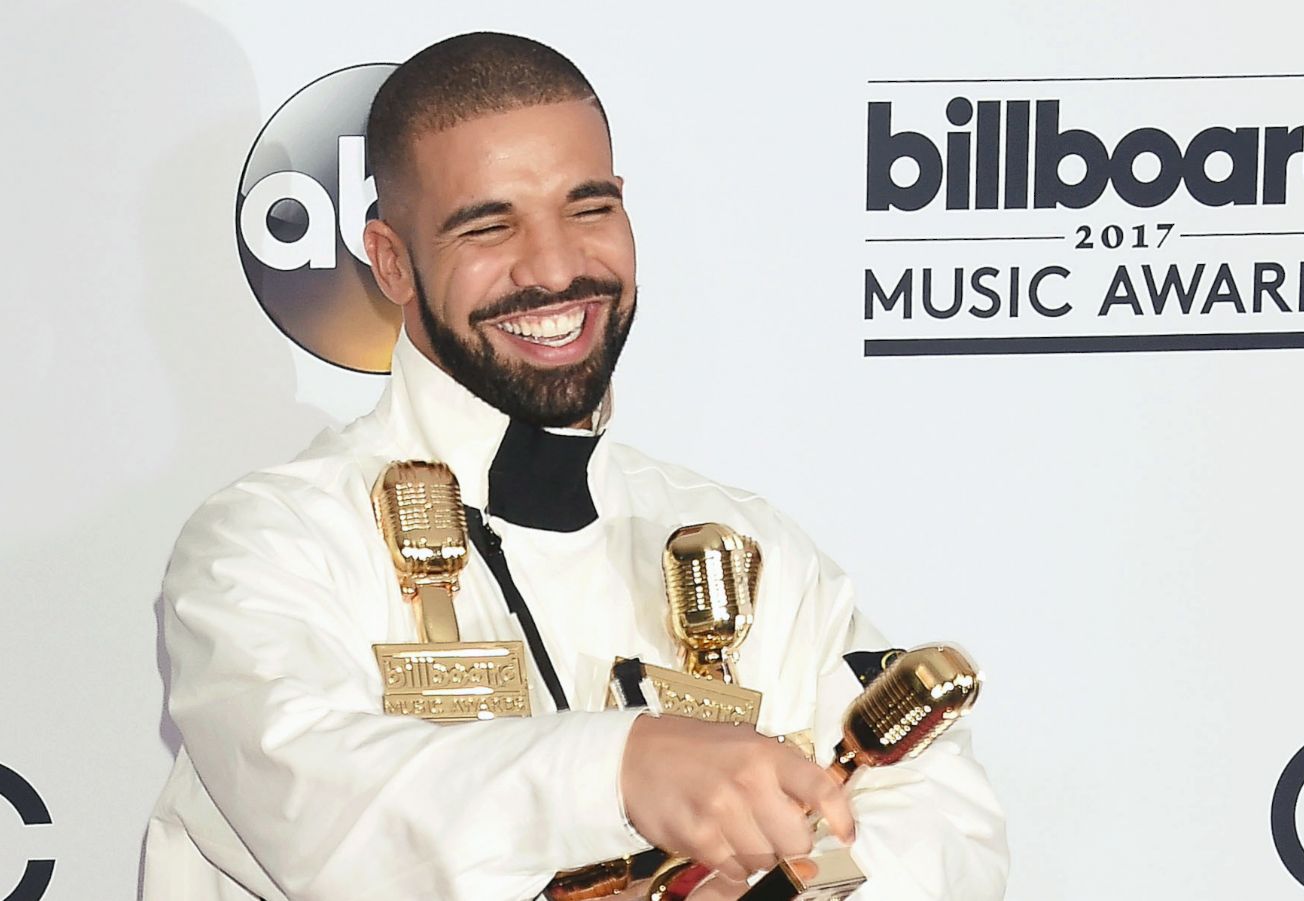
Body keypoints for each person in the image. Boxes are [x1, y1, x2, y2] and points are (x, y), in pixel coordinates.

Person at [142, 31, 1008, 901]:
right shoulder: (267, 546)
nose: (556, 267)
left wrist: (773, 889)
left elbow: (941, 816)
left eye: (588, 209)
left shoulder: (753, 549)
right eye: (489, 225)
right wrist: (624, 768)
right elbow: (329, 805)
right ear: (392, 261)